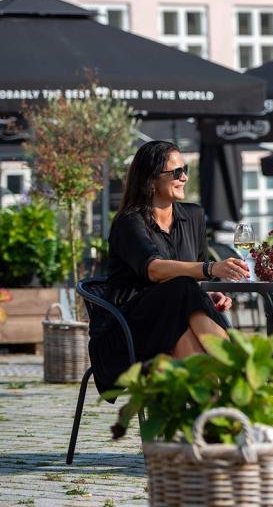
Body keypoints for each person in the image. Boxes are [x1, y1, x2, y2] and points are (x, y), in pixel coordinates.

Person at [89, 140, 250, 394]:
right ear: (151, 180)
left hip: (173, 322)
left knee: (184, 320)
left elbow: (190, 279)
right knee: (183, 288)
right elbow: (154, 269)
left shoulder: (194, 216)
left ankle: (214, 413)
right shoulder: (129, 222)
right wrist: (209, 269)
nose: (184, 177)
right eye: (176, 173)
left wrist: (207, 295)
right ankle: (241, 367)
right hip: (129, 334)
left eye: (185, 170)